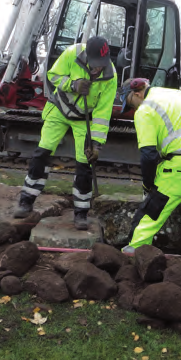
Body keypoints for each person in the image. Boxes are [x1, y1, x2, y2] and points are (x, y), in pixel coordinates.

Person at [13, 36, 117, 230]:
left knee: (84, 162)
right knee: (42, 153)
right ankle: (26, 201)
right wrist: (73, 84)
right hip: (59, 110)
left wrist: (96, 144)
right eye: (95, 65)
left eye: (101, 65)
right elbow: (52, 75)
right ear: (87, 56)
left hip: (83, 119)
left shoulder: (110, 77)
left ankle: (81, 213)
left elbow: (103, 113)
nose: (98, 69)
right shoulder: (72, 54)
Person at [117, 77, 181, 252]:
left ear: (137, 94)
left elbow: (148, 155)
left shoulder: (145, 110)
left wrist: (148, 186)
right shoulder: (177, 94)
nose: (133, 109)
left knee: (150, 213)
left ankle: (134, 253)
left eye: (130, 104)